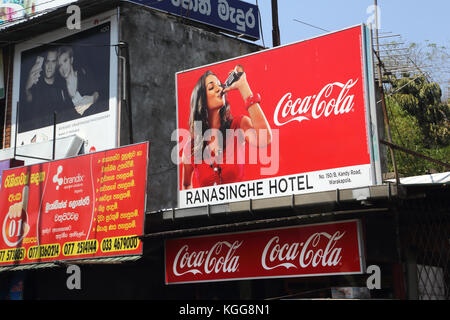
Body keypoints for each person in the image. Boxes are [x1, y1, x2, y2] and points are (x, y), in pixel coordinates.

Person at [181, 65, 272, 189]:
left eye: (219, 84)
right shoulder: (190, 147)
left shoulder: (238, 125)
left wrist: (243, 87)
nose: (219, 89)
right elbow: (186, 184)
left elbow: (265, 139)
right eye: (212, 87)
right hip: (209, 209)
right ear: (201, 100)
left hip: (240, 208)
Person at [20, 48, 65, 133]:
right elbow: (27, 99)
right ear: (44, 63)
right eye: (47, 61)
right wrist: (27, 88)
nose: (49, 66)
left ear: (57, 64)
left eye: (53, 62)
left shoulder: (61, 88)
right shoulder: (36, 86)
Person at [57, 46, 100, 120]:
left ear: (71, 60)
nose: (63, 67)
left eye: (65, 61)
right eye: (60, 65)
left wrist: (92, 98)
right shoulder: (61, 90)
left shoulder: (84, 74)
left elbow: (100, 92)